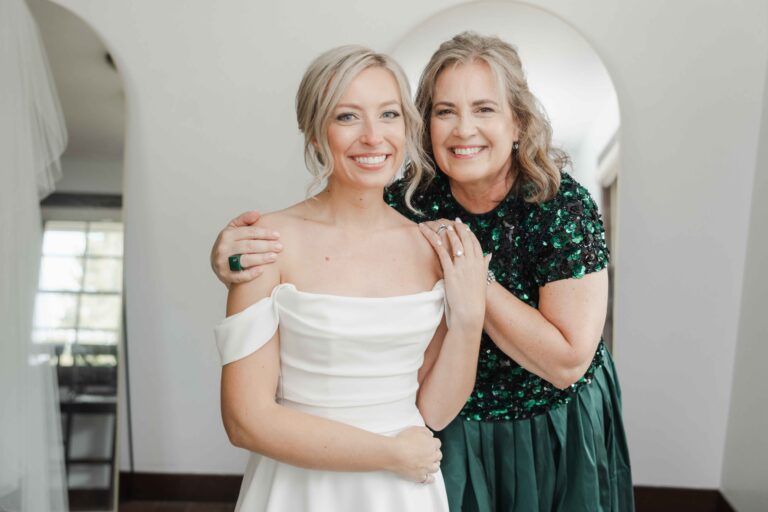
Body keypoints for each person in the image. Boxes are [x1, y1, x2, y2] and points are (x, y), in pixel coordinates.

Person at [212, 32, 634, 512]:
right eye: (444, 111)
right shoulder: (408, 201)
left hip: (548, 419)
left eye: (484, 109)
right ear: (426, 125)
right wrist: (227, 259)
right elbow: (339, 235)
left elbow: (566, 362)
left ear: (518, 122)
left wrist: (472, 280)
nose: (463, 129)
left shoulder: (559, 208)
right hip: (440, 432)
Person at [214, 44, 490, 512]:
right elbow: (245, 421)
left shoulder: (432, 248)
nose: (373, 137)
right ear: (315, 132)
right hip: (302, 487)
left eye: (388, 115)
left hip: (403, 493)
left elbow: (435, 411)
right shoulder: (267, 243)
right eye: (347, 117)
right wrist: (389, 454)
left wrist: (469, 317)